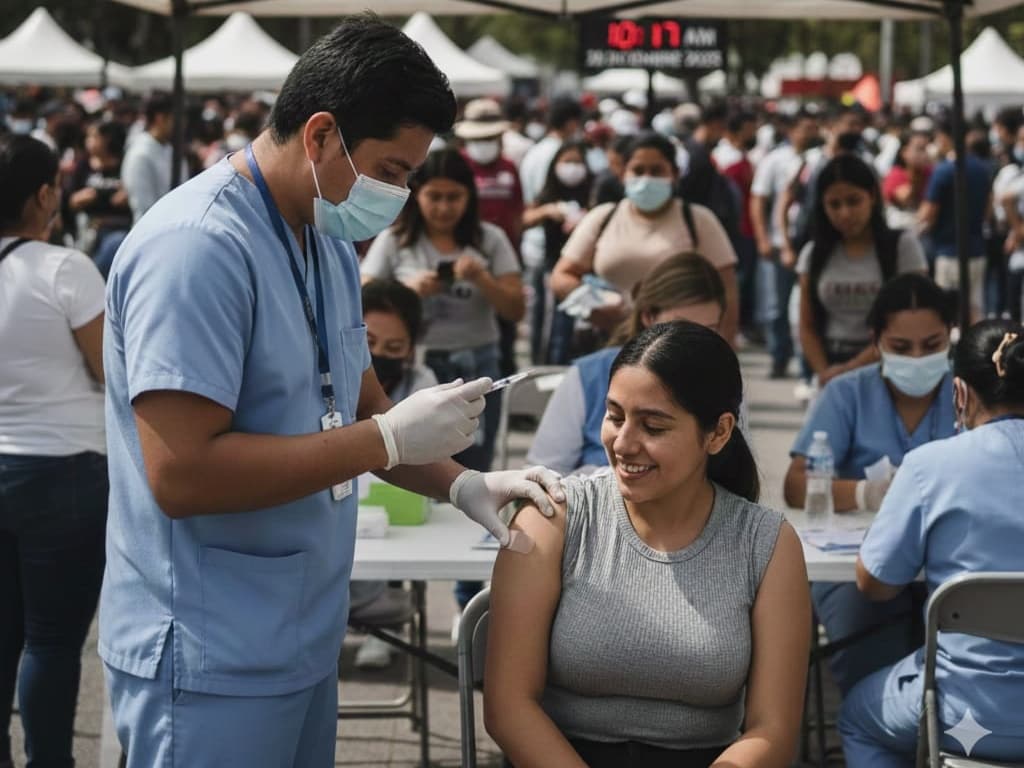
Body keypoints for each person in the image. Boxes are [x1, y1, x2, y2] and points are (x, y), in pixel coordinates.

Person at [100, 17, 561, 768]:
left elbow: (366, 410)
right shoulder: (197, 249)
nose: (401, 194)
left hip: (300, 638)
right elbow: (181, 474)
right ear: (319, 136)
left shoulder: (322, 238)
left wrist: (465, 481)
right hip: (212, 650)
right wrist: (382, 441)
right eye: (392, 168)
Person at [485, 321, 810, 768]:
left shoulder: (766, 543)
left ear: (718, 432)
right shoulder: (552, 518)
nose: (623, 443)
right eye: (615, 416)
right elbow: (508, 707)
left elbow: (773, 730)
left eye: (653, 427)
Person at [839, 320, 1024, 766]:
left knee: (855, 718)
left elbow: (875, 584)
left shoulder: (930, 466)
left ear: (959, 393)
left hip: (964, 713)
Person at [360, 146, 526, 616]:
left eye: (455, 197)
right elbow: (365, 296)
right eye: (435, 197)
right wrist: (410, 291)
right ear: (418, 197)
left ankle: (468, 605)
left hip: (476, 365)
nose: (444, 208)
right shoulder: (398, 240)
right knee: (398, 470)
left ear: (469, 199)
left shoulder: (489, 239)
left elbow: (516, 308)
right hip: (410, 367)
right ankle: (387, 595)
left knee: (471, 476)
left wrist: (485, 281)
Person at [785, 273, 956, 695]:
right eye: (901, 348)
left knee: (967, 654)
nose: (917, 358)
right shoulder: (847, 393)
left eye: (932, 346)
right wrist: (865, 493)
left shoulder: (967, 392)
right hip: (857, 565)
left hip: (951, 558)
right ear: (875, 340)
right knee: (870, 670)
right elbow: (796, 484)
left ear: (950, 338)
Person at [0, 135, 107, 768]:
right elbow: (108, 373)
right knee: (52, 642)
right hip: (62, 471)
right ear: (45, 194)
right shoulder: (64, 267)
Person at [527, 253, 726, 476]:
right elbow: (541, 474)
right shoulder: (588, 377)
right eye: (616, 417)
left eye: (709, 330)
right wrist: (602, 484)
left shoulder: (723, 380)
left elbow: (736, 476)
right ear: (648, 316)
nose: (624, 446)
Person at [551, 132, 739, 343]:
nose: (647, 178)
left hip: (680, 346)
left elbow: (727, 291)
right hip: (610, 344)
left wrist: (725, 344)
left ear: (674, 174)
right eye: (638, 170)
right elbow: (561, 276)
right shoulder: (603, 217)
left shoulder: (698, 220)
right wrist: (594, 303)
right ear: (622, 174)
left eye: (656, 171)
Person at [349, 279, 438, 670]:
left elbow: (431, 456)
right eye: (368, 345)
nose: (380, 358)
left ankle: (378, 627)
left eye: (395, 348)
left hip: (400, 515)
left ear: (412, 348)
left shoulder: (422, 384)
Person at [798, 154, 928, 387]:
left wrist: (850, 369)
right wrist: (825, 373)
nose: (845, 213)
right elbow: (806, 325)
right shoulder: (813, 254)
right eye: (834, 205)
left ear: (873, 197)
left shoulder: (902, 247)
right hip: (831, 363)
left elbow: (914, 316)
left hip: (890, 366)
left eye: (854, 201)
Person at [456, 98, 525, 378]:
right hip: (463, 259)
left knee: (505, 332)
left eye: (489, 137)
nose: (484, 143)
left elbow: (518, 213)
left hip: (501, 260)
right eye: (478, 138)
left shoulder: (509, 168)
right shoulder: (459, 168)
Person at [750, 109, 821, 378]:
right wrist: (763, 238)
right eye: (806, 128)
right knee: (777, 306)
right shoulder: (775, 160)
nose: (811, 133)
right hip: (781, 243)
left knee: (808, 304)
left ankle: (807, 361)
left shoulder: (818, 159)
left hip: (810, 243)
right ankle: (779, 356)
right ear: (792, 130)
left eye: (814, 128)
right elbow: (759, 200)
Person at [522, 140, 593, 364]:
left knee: (574, 327)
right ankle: (545, 366)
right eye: (567, 161)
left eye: (577, 162)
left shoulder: (591, 192)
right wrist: (547, 212)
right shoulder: (549, 194)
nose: (572, 167)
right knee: (550, 326)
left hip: (583, 271)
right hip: (551, 267)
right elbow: (525, 219)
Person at [919, 124, 993, 323]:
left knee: (946, 313)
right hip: (977, 250)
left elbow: (927, 214)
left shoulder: (943, 171)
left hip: (949, 252)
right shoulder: (982, 168)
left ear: (944, 138)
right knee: (975, 310)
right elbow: (988, 210)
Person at [67, 119, 132, 277]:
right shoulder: (83, 165)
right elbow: (71, 200)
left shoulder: (125, 163)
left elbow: (130, 196)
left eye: (94, 137)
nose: (88, 141)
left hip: (118, 228)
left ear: (107, 139)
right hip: (88, 229)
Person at [120, 92, 183, 223]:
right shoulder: (140, 154)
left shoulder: (171, 150)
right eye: (176, 117)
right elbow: (144, 207)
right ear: (160, 118)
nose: (182, 123)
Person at [881, 130, 932, 230]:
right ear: (904, 152)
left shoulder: (931, 172)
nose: (924, 154)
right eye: (919, 149)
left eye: (925, 149)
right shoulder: (895, 174)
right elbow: (905, 200)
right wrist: (916, 174)